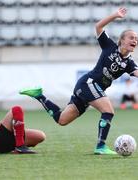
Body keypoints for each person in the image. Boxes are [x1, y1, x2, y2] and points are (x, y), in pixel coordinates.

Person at [19, 7, 138, 155]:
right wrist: (115, 15)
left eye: (136, 39)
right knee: (108, 111)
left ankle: (39, 95)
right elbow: (98, 26)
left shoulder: (130, 63)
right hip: (88, 83)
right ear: (122, 40)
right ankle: (100, 146)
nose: (135, 40)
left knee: (62, 120)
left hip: (89, 90)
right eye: (131, 37)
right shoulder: (110, 46)